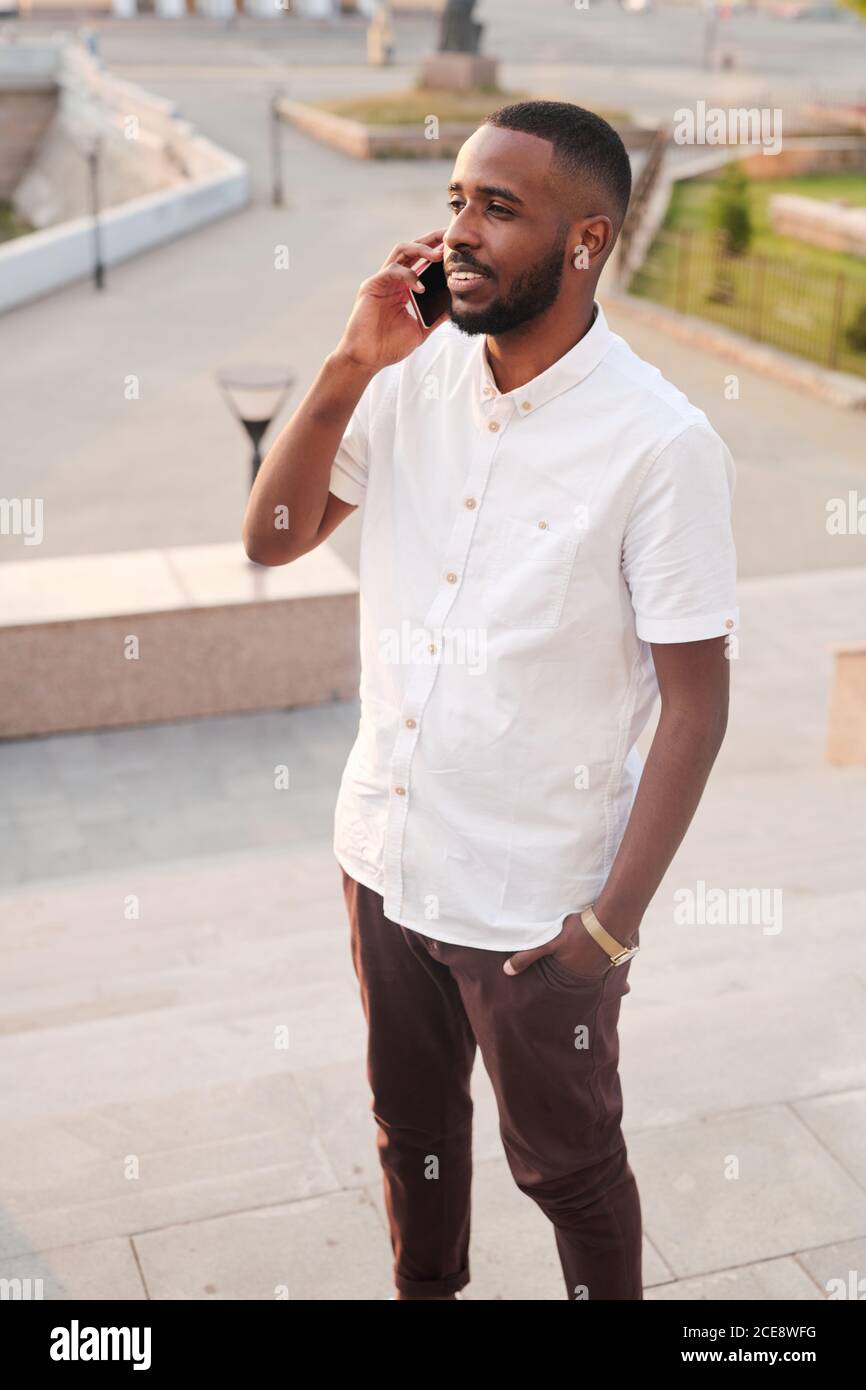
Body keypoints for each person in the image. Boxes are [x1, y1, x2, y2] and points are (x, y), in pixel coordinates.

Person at [242, 101, 739, 1301]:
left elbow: (695, 705)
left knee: (566, 1170)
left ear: (585, 242)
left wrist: (607, 928)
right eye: (456, 199)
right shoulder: (406, 381)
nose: (457, 231)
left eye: (496, 209)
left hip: (533, 907)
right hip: (384, 857)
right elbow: (270, 539)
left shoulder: (659, 445)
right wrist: (349, 363)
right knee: (408, 1137)